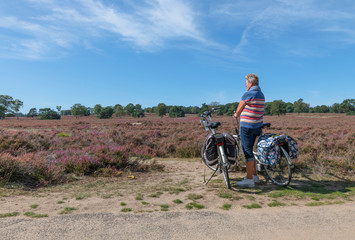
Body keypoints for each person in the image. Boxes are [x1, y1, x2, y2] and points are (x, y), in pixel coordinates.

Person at [234, 73, 265, 187]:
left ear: (250, 83)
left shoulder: (249, 93)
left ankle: (249, 179)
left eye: (246, 83)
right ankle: (255, 176)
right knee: (251, 150)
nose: (245, 85)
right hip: (257, 126)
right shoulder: (261, 94)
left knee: (247, 151)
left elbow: (239, 109)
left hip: (247, 126)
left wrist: (236, 114)